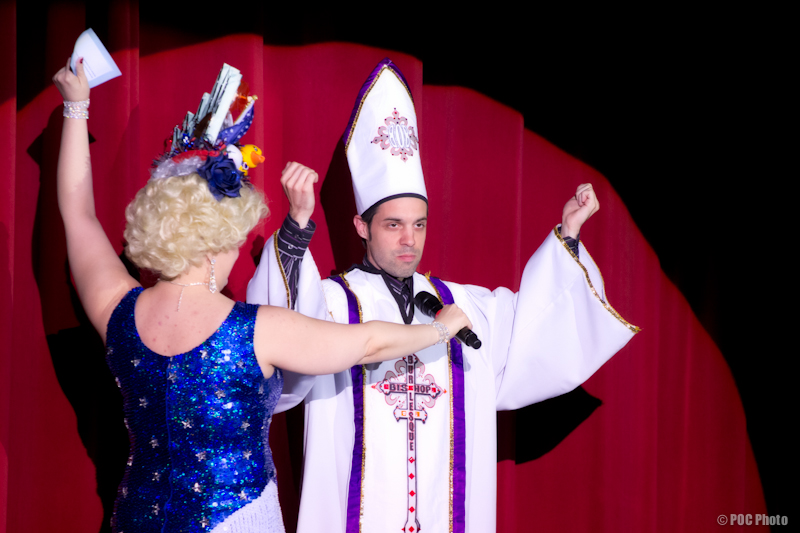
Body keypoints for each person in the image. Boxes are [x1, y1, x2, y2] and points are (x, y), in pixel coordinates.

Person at [52, 58, 471, 533]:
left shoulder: (116, 308)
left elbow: (78, 214)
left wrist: (76, 106)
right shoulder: (255, 330)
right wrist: (440, 329)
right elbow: (369, 342)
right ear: (217, 242)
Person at [247, 58, 640, 533]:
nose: (409, 240)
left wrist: (569, 233)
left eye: (419, 225)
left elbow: (536, 329)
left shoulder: (462, 306)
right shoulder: (330, 303)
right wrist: (296, 225)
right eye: (393, 225)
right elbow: (278, 345)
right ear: (361, 227)